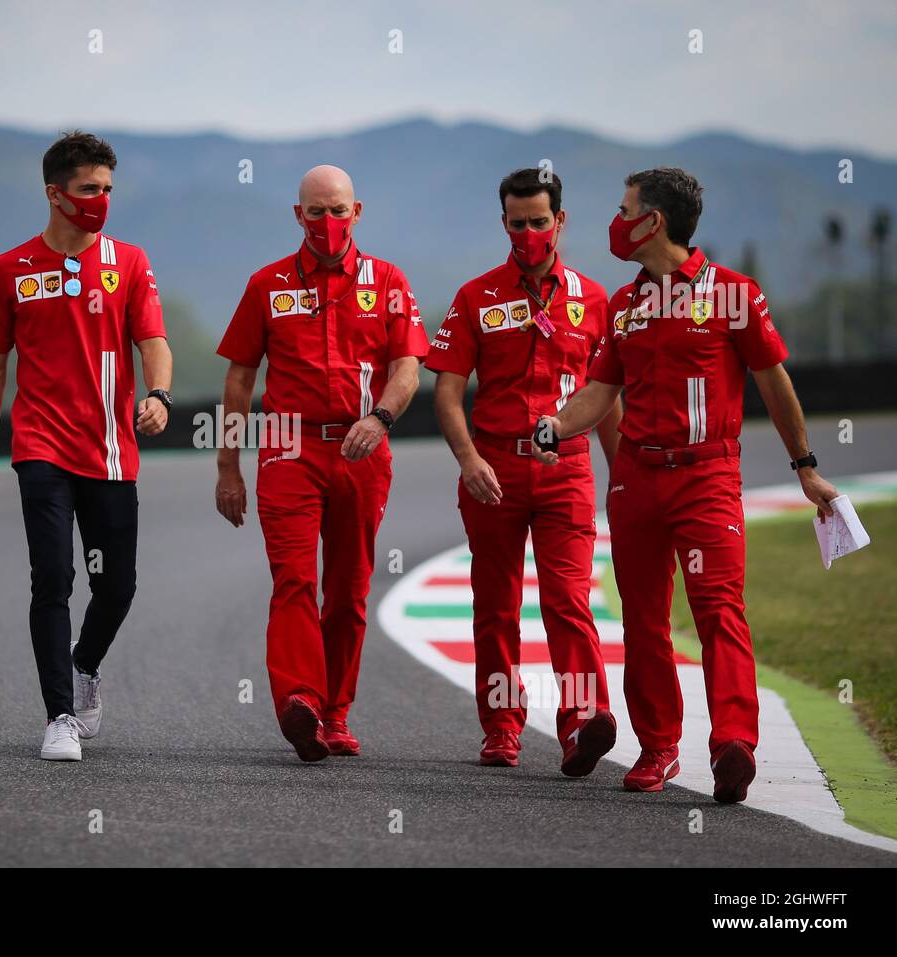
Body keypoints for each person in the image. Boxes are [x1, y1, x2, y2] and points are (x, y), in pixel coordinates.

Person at [532, 167, 839, 803]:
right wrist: (556, 425)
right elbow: (600, 390)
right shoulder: (624, 305)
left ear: (655, 221)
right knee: (642, 620)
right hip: (637, 481)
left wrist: (805, 465)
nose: (615, 222)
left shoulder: (733, 294)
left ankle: (733, 744)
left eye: (624, 210)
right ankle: (658, 747)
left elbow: (774, 381)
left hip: (708, 477)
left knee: (719, 612)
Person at [0, 130, 172, 762]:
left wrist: (160, 396)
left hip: (111, 452)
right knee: (52, 578)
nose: (101, 199)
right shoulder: (10, 269)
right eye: (89, 189)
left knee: (117, 587)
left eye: (108, 189)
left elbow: (155, 344)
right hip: (40, 448)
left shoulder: (131, 263)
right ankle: (59, 714)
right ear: (55, 194)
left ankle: (85, 663)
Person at [215, 165, 428, 762]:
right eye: (315, 211)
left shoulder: (387, 281)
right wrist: (228, 466)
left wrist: (380, 418)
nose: (327, 223)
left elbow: (408, 367)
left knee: (349, 587)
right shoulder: (268, 284)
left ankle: (335, 713)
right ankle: (299, 702)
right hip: (287, 445)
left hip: (364, 447)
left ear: (357, 212)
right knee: (294, 578)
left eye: (338, 211)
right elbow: (239, 376)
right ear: (297, 215)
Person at [427, 168, 620, 773]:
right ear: (503, 223)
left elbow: (607, 393)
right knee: (496, 604)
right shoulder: (475, 297)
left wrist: (621, 480)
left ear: (559, 221)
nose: (529, 233)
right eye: (518, 223)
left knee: (568, 600)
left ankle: (583, 723)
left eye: (540, 222)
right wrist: (469, 459)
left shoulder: (593, 299)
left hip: (567, 468)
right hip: (494, 470)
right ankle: (502, 728)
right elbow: (448, 391)